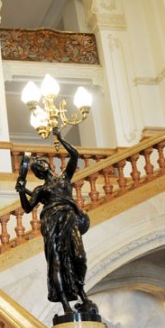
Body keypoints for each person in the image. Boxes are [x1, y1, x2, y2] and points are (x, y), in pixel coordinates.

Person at [15, 127, 97, 317]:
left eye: (40, 163)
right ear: (37, 174)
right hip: (51, 222)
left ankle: (80, 291)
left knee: (79, 257)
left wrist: (60, 137)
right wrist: (22, 191)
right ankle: (66, 305)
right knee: (56, 262)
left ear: (48, 165)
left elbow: (74, 154)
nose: (38, 166)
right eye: (35, 168)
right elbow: (28, 208)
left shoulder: (64, 178)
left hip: (69, 218)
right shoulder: (40, 190)